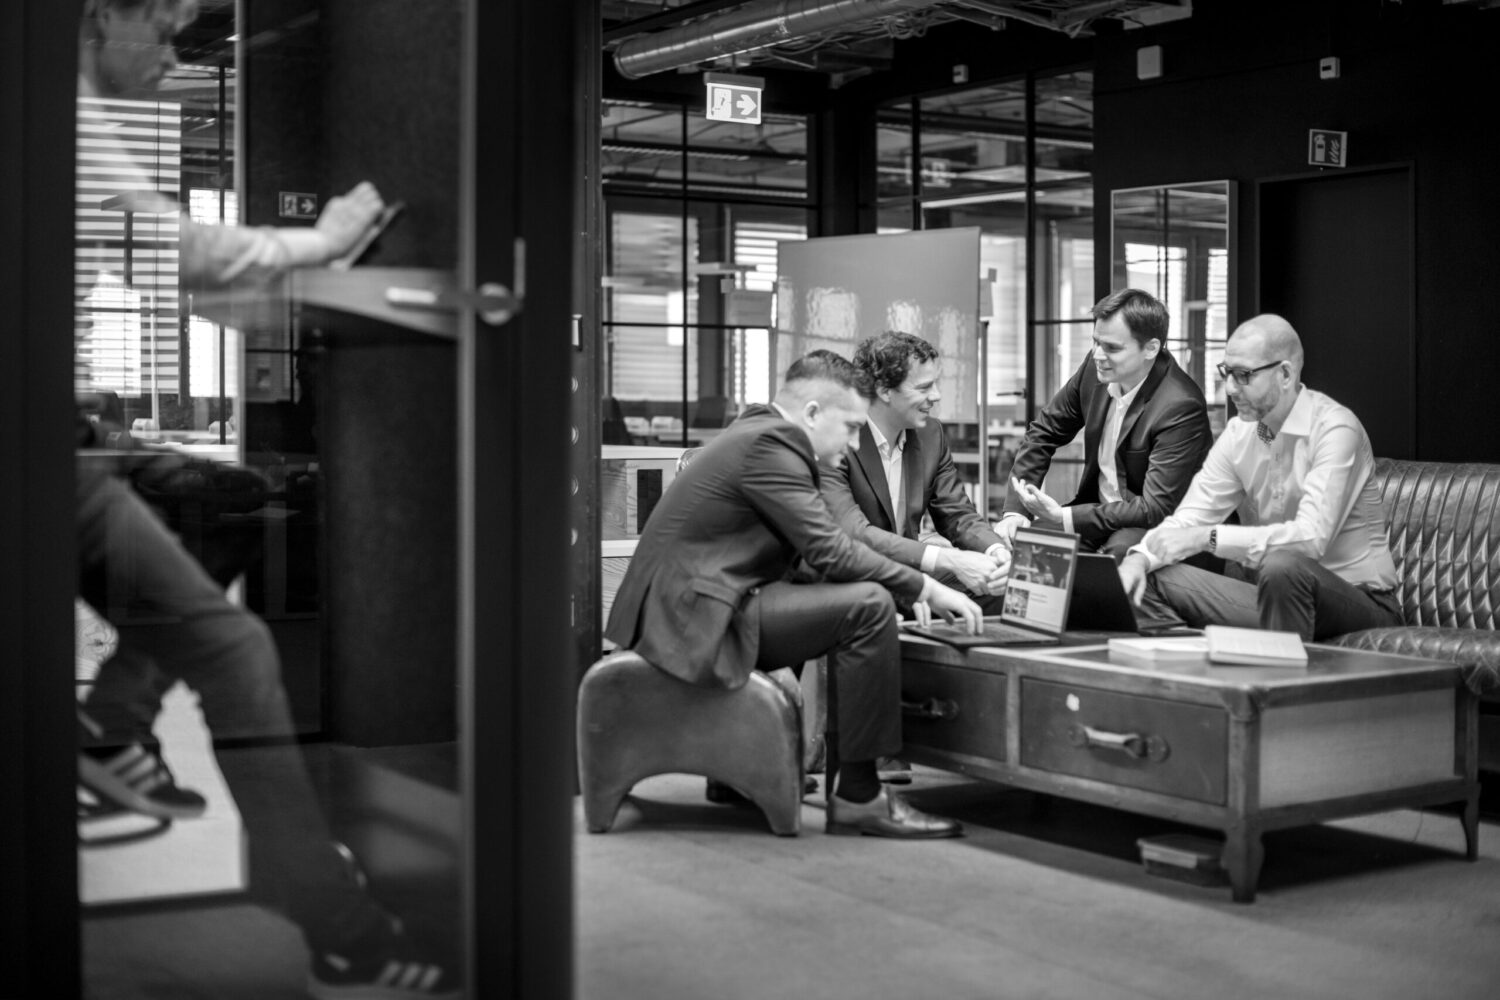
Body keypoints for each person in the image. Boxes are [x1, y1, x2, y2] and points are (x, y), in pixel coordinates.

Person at [74, 3, 458, 997]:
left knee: (240, 497)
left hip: (71, 434)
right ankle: (346, 935)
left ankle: (112, 719)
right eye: (160, 30)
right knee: (236, 651)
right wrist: (318, 241)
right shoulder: (62, 109)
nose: (172, 55)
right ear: (99, 17)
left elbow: (149, 257)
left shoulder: (76, 117)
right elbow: (178, 251)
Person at [605, 352, 982, 839]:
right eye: (850, 428)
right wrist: (924, 585)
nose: (853, 444)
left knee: (838, 591)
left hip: (695, 604)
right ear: (812, 413)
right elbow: (831, 547)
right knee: (868, 607)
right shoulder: (772, 445)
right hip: (690, 618)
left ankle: (742, 769)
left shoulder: (760, 431)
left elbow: (814, 555)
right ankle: (860, 797)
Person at [1117, 314, 1403, 641]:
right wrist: (1139, 559)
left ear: (1285, 374)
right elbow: (1191, 518)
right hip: (1277, 599)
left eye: (1243, 375)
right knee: (1141, 577)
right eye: (1226, 373)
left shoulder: (1335, 428)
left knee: (1284, 566)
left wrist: (1208, 538)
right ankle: (1194, 664)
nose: (1229, 388)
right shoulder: (1239, 434)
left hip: (1361, 604)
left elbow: (1310, 539)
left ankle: (1277, 668)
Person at [998, 288, 1213, 561]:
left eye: (1112, 348)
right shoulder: (1095, 369)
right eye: (1096, 342)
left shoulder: (1180, 404)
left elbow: (1154, 508)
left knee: (1117, 556)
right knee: (1028, 546)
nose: (1098, 354)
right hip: (1099, 513)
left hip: (1157, 524)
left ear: (1151, 348)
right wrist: (1016, 511)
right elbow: (1044, 432)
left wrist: (1064, 516)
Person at [822, 331, 1010, 611]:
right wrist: (948, 559)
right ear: (883, 390)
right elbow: (854, 533)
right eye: (924, 388)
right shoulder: (837, 438)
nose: (936, 396)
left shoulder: (930, 434)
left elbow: (957, 513)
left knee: (1000, 586)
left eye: (935, 384)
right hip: (854, 579)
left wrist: (996, 551)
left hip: (911, 571)